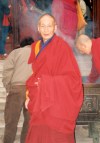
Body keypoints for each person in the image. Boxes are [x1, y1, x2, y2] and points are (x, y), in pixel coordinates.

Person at [25, 13, 83, 143]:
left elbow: (73, 79)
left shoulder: (62, 47)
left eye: (49, 26)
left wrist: (46, 82)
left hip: (56, 103)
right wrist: (29, 95)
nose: (46, 29)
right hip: (39, 99)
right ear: (38, 28)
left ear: (55, 27)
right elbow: (35, 74)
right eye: (43, 26)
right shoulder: (36, 47)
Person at [2, 37, 34, 143]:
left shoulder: (16, 52)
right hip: (33, 90)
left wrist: (8, 87)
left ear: (21, 45)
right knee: (29, 122)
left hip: (17, 88)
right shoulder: (38, 53)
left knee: (11, 122)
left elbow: (7, 70)